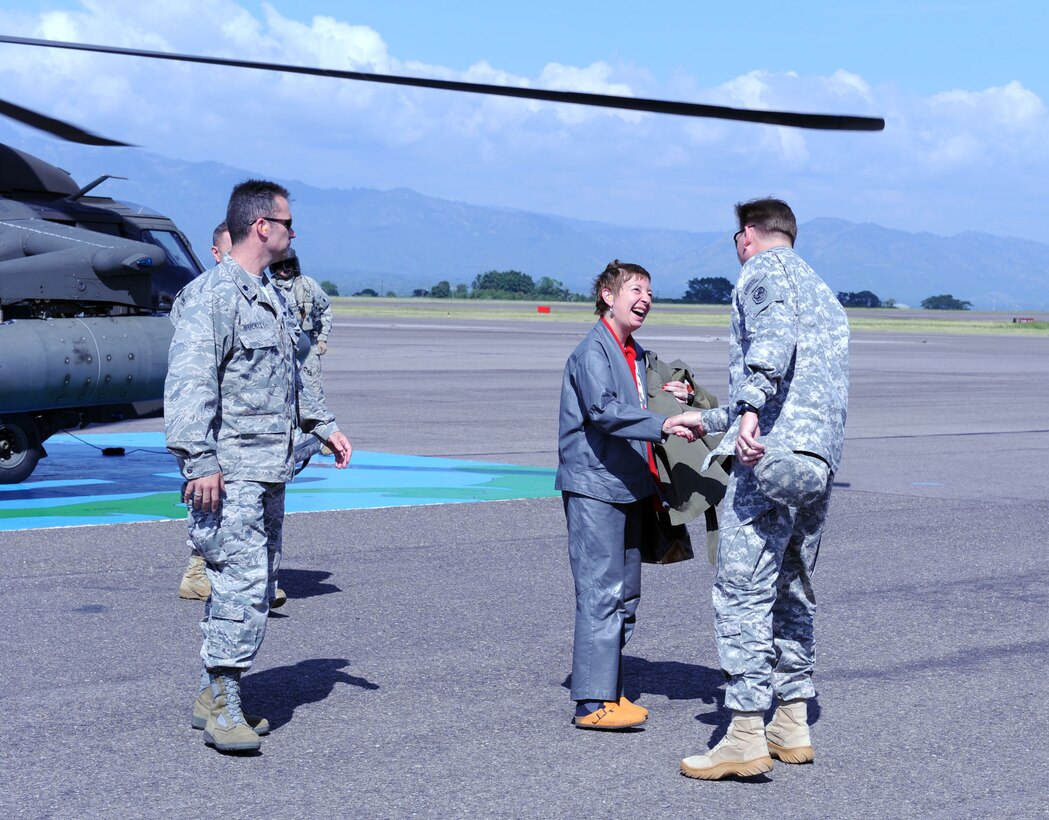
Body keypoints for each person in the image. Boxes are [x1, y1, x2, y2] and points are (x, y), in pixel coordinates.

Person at [165, 180, 352, 753]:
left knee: (256, 582)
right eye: (288, 222)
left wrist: (321, 424)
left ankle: (211, 695)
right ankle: (223, 705)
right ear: (261, 227)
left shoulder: (269, 293)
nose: (294, 233)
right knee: (242, 586)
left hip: (267, 467)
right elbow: (191, 381)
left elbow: (291, 374)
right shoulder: (212, 295)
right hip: (230, 472)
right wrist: (198, 460)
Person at [675, 198, 849, 779]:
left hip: (767, 459)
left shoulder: (762, 273)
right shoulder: (823, 292)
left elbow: (770, 349)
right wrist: (713, 419)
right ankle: (791, 720)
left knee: (742, 588)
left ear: (748, 235)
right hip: (816, 463)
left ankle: (745, 733)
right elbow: (801, 390)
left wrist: (746, 414)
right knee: (794, 585)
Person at [555, 260, 696, 730]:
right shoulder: (591, 352)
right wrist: (663, 423)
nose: (646, 300)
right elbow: (604, 410)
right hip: (595, 487)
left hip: (630, 487)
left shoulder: (635, 353)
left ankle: (610, 689)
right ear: (607, 296)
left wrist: (678, 393)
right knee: (601, 591)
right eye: (636, 290)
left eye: (650, 293)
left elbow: (651, 391)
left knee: (626, 593)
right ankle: (591, 702)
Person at [176, 221, 233, 603]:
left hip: (246, 421)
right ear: (215, 253)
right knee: (208, 495)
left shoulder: (260, 291)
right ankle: (199, 571)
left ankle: (244, 574)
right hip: (210, 419)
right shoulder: (199, 295)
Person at [269, 248, 333, 410]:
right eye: (280, 265)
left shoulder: (308, 285)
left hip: (307, 346)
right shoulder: (267, 288)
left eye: (288, 264)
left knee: (313, 391)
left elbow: (325, 309)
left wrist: (322, 338)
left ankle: (316, 428)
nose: (285, 268)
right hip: (279, 349)